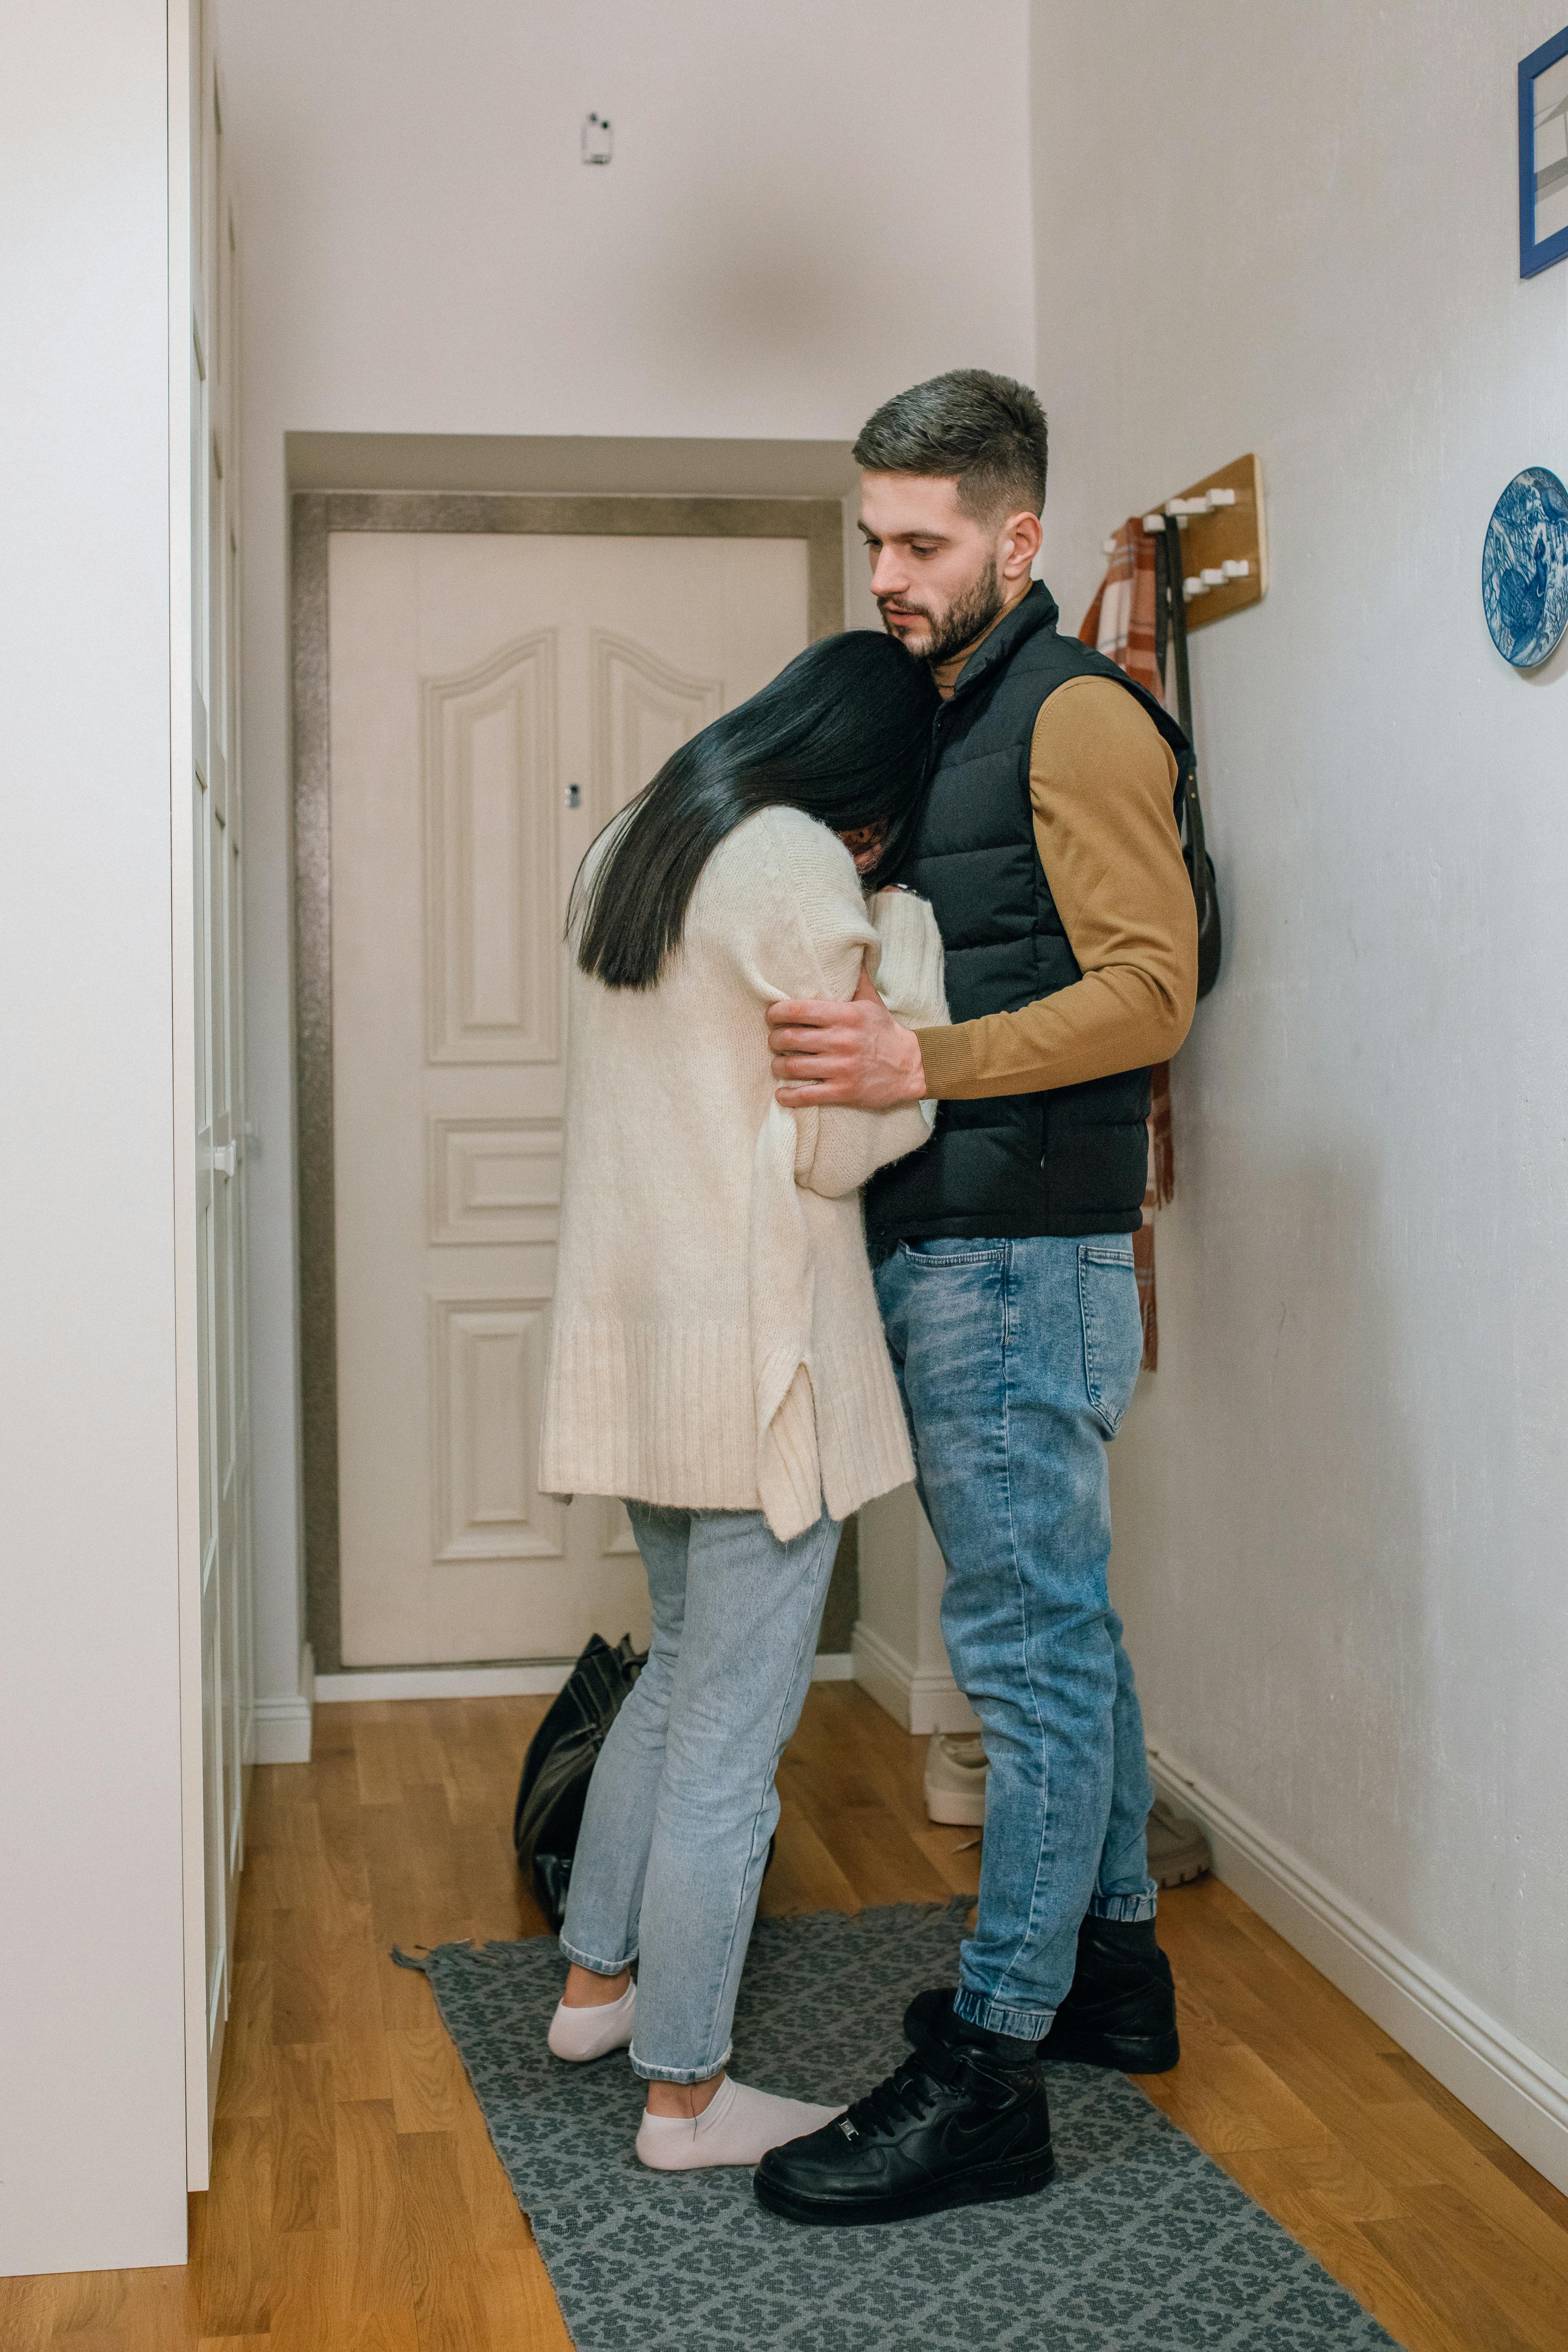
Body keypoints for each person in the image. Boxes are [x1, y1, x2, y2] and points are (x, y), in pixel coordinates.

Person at [755, 370, 1199, 2226]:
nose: (886, 572)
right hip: (980, 1249)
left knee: (1016, 1660)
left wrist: (913, 1062)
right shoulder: (952, 714)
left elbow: (1150, 986)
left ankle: (988, 2067)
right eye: (871, 539)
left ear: (1017, 538)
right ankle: (1107, 1965)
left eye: (920, 541)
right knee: (1061, 1629)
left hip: (1019, 1260)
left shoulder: (1073, 717)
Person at [537, 630, 950, 2174]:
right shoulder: (787, 863)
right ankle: (687, 2097)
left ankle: (597, 1986)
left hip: (645, 1350)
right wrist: (903, 949)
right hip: (758, 1356)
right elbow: (846, 1142)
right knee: (730, 1734)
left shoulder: (633, 843)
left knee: (677, 1675)